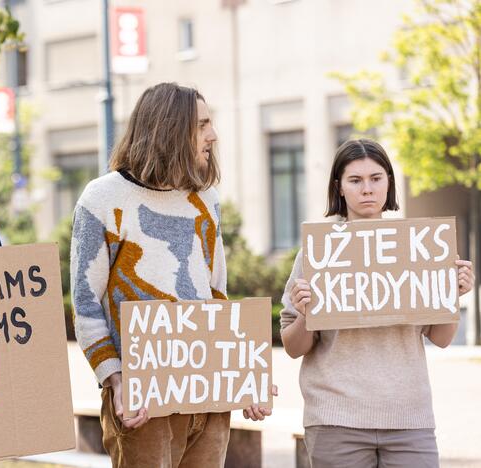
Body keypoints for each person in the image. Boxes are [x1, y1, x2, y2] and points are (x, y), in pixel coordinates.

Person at [70, 82, 274, 468]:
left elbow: (216, 294)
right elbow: (85, 303)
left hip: (207, 395)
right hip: (142, 399)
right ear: (168, 129)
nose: (212, 135)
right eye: (202, 124)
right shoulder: (102, 199)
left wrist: (244, 377)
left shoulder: (206, 199)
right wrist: (115, 379)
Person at [281, 138, 474, 468]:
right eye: (355, 181)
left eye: (376, 178)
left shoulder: (421, 248)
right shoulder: (317, 252)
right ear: (339, 187)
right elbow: (293, 346)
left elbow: (441, 339)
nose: (366, 189)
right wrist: (304, 314)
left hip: (409, 419)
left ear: (389, 182)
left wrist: (450, 296)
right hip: (336, 418)